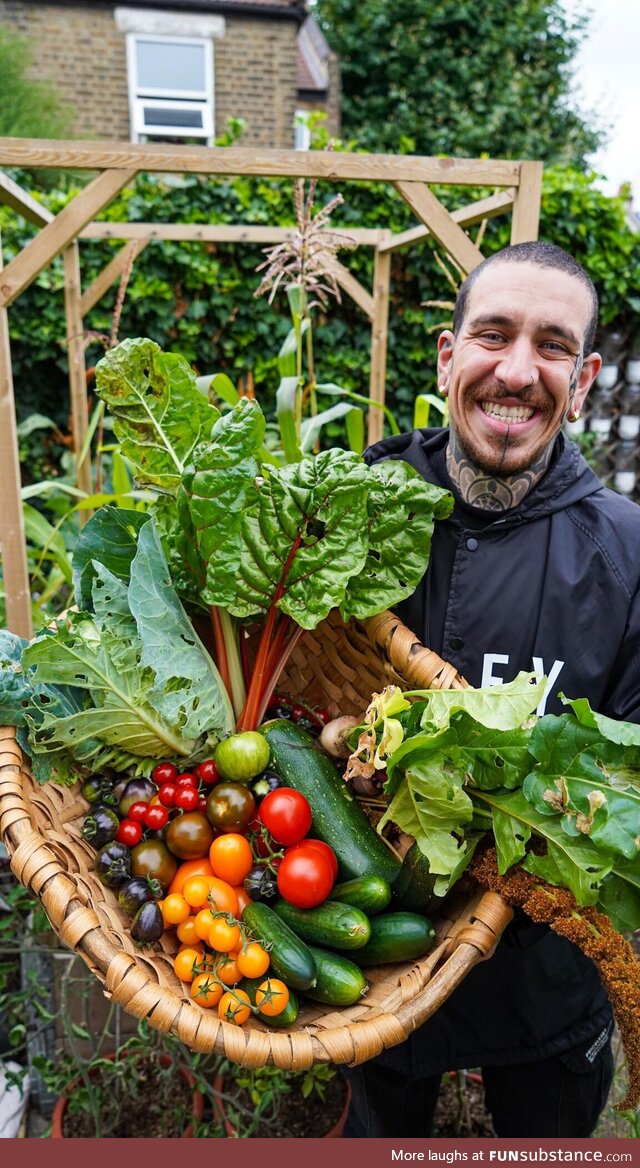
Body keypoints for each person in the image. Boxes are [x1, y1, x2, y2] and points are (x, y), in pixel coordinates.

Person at [343, 241, 640, 1139]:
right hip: (370, 945)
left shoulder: (627, 551)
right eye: (493, 335)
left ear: (583, 379)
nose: (517, 371)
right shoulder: (356, 507)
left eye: (552, 346)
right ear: (448, 355)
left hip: (547, 975)